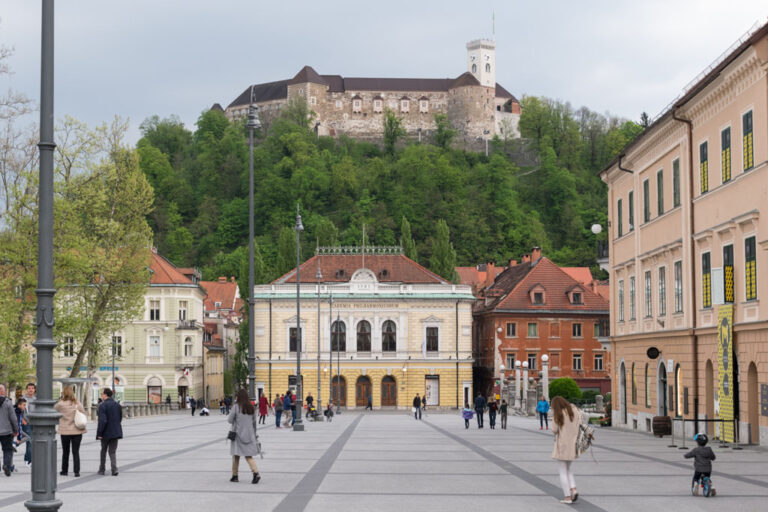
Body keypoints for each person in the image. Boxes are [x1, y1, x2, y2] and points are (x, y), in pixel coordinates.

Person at [551, 396, 583, 504]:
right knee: (568, 469)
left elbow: (554, 430)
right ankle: (573, 489)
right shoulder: (576, 411)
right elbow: (581, 424)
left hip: (562, 445)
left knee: (562, 471)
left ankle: (567, 497)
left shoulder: (559, 414)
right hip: (573, 444)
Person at [228, 389, 261, 484]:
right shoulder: (251, 407)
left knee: (236, 454)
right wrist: (254, 434)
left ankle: (235, 475)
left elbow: (229, 420)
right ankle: (256, 473)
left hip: (238, 435)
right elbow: (254, 424)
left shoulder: (236, 407)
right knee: (248, 456)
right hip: (249, 435)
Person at [54, 386, 87, 477]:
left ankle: (64, 470)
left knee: (65, 451)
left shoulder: (60, 404)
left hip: (65, 431)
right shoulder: (77, 403)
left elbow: (53, 410)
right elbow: (84, 413)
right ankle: (77, 471)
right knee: (76, 452)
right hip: (77, 431)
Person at [96, 388, 123, 476]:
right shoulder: (117, 405)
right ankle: (114, 469)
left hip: (105, 432)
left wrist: (99, 433)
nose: (101, 395)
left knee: (103, 451)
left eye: (102, 394)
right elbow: (120, 418)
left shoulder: (102, 406)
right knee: (112, 451)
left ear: (105, 395)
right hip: (115, 432)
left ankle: (102, 469)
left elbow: (102, 421)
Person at [0, 384, 19, 477]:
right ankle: (6, 465)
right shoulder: (7, 402)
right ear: (3, 391)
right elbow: (13, 418)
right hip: (6, 431)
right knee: (7, 450)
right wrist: (16, 429)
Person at [21, 383, 35, 466]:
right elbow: (18, 411)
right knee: (30, 440)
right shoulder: (22, 399)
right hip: (26, 423)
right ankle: (29, 460)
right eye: (29, 388)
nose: (31, 390)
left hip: (35, 423)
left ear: (34, 390)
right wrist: (22, 420)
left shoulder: (36, 399)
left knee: (31, 441)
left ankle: (27, 457)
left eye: (32, 388)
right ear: (27, 389)